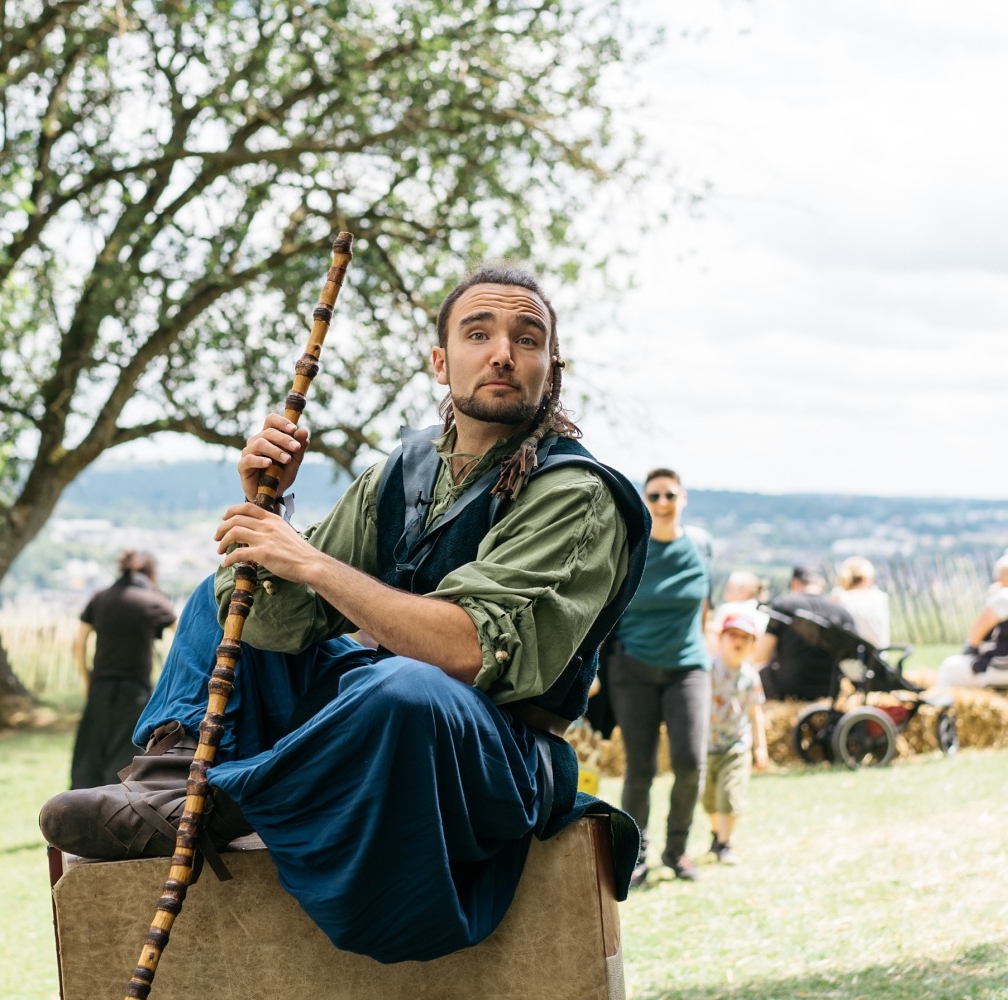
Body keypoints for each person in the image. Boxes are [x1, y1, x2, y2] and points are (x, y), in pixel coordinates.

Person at [37, 263, 650, 963]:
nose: (503, 352)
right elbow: (282, 619)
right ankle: (168, 788)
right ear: (441, 362)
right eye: (478, 333)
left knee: (404, 689)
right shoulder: (407, 469)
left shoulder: (576, 492)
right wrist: (268, 513)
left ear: (550, 367)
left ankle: (230, 802)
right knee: (220, 598)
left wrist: (311, 561)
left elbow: (469, 650)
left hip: (483, 757)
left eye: (527, 338)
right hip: (376, 715)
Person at [603, 467, 712, 885]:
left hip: (688, 666)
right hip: (633, 669)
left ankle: (677, 851)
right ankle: (637, 857)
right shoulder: (634, 546)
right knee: (641, 767)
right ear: (645, 502)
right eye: (654, 497)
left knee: (689, 762)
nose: (663, 503)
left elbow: (707, 603)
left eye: (670, 495)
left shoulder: (703, 545)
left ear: (683, 498)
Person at [69, 550, 178, 789]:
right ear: (151, 575)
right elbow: (185, 641)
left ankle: (80, 806)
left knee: (90, 752)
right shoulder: (153, 601)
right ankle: (117, 809)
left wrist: (87, 681)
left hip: (99, 687)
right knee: (125, 755)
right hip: (135, 690)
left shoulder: (100, 598)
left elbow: (78, 645)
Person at [703, 609, 768, 865]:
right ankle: (716, 834)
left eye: (745, 637)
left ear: (753, 645)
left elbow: (756, 713)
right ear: (720, 639)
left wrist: (760, 748)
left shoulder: (750, 677)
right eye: (733, 635)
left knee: (729, 795)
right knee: (708, 799)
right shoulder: (707, 670)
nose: (738, 641)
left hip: (736, 746)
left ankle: (724, 844)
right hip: (706, 746)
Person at [755, 560, 856, 701]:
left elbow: (761, 655)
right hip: (830, 693)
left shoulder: (783, 606)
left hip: (787, 693)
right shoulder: (842, 613)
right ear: (821, 583)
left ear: (794, 583)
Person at [934, 554, 1008, 690]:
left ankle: (937, 706)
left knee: (949, 666)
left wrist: (971, 649)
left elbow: (975, 636)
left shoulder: (1003, 597)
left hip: (1001, 669)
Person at [832, 555, 890, 649]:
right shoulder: (880, 597)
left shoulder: (840, 598)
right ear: (867, 578)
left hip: (851, 656)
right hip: (879, 656)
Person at [707, 569, 769, 652]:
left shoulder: (728, 609)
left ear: (745, 591)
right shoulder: (764, 613)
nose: (725, 592)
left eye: (729, 587)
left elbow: (715, 644)